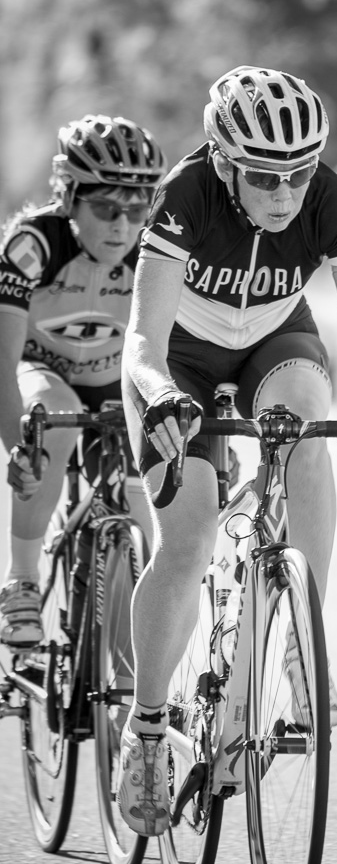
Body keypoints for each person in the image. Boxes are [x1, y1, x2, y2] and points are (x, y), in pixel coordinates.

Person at [117, 65, 337, 837]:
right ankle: (147, 728)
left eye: (300, 171)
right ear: (225, 160)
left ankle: (301, 645)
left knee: (308, 426)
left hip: (272, 340)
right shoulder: (184, 195)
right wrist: (160, 398)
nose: (287, 191)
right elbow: (143, 343)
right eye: (265, 175)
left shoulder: (333, 201)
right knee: (188, 541)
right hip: (179, 363)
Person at [0, 114, 167, 649]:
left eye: (136, 211)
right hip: (40, 373)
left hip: (114, 383)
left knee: (152, 516)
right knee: (54, 410)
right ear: (68, 196)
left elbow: (179, 352)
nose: (122, 226)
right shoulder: (33, 244)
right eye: (104, 209)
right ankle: (21, 580)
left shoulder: (155, 249)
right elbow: (2, 358)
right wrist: (13, 447)